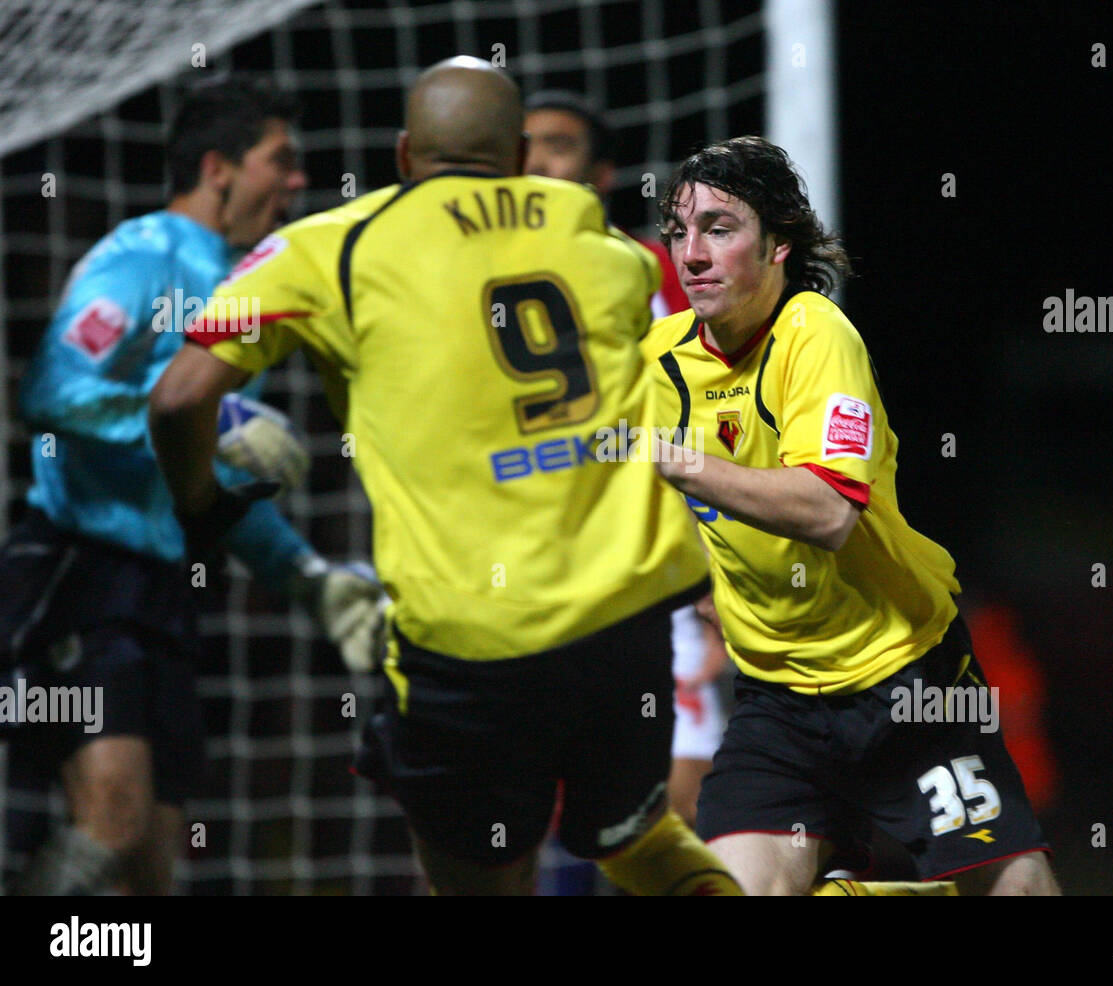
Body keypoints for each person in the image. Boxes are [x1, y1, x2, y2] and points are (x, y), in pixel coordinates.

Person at [148, 57, 742, 896]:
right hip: (628, 623)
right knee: (640, 840)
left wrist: (201, 507)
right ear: (516, 156)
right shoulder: (607, 245)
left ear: (401, 156)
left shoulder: (332, 248)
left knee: (479, 879)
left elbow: (177, 400)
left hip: (472, 645)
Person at [642, 135, 1061, 896]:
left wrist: (680, 462)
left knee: (1017, 887)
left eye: (721, 228)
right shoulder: (661, 358)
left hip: (902, 677)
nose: (692, 253)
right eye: (679, 231)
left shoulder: (815, 334)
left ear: (778, 247)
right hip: (778, 702)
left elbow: (829, 510)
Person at [0, 79, 386, 896]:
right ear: (216, 168)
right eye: (278, 161)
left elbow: (207, 482)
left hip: (165, 592)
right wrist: (177, 412)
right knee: (113, 816)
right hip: (79, 572)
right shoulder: (142, 257)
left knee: (149, 868)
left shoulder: (251, 285)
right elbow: (50, 393)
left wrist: (308, 583)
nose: (295, 182)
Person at [523, 89, 728, 831]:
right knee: (513, 811)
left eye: (559, 144)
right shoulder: (461, 277)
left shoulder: (652, 273)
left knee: (676, 803)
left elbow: (699, 418)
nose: (538, 158)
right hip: (515, 560)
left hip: (640, 560)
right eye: (525, 143)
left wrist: (711, 569)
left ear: (603, 173)